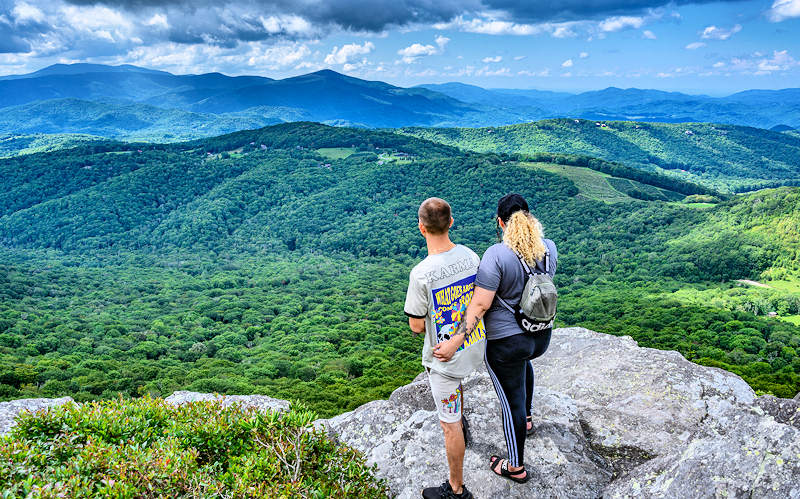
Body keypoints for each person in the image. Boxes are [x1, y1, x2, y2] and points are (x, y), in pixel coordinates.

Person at [435, 193, 557, 484]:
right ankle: (526, 419)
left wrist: (454, 341)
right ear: (530, 218)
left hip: (506, 344)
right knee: (524, 364)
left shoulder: (497, 255)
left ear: (501, 223)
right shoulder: (549, 249)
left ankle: (515, 466)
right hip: (540, 336)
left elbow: (479, 306)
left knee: (509, 401)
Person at [405, 197, 487, 499]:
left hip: (445, 361)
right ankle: (460, 418)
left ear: (421, 228)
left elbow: (416, 326)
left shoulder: (421, 273)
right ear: (451, 222)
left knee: (449, 427)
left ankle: (456, 489)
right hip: (475, 344)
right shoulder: (470, 256)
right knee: (456, 406)